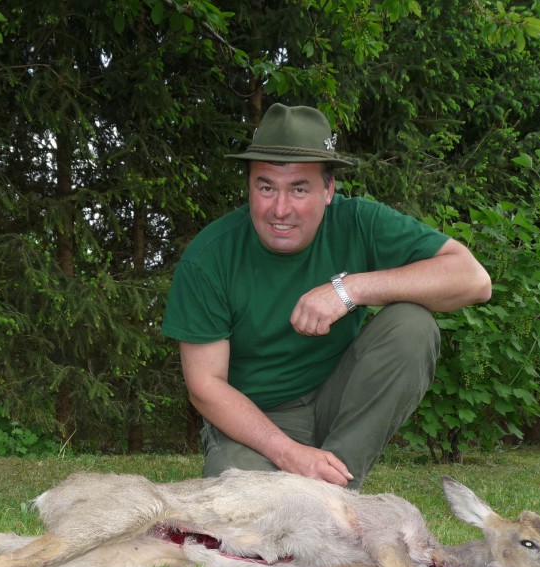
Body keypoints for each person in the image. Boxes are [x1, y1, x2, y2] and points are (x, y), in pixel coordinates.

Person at [161, 104, 492, 489]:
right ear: (249, 186)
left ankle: (336, 490)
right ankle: (313, 494)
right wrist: (288, 452)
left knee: (413, 325)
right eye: (266, 187)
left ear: (329, 189)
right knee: (246, 509)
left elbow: (473, 279)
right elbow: (205, 387)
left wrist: (351, 289)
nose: (280, 210)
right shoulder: (210, 256)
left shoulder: (359, 222)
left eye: (299, 189)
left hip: (338, 401)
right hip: (257, 420)